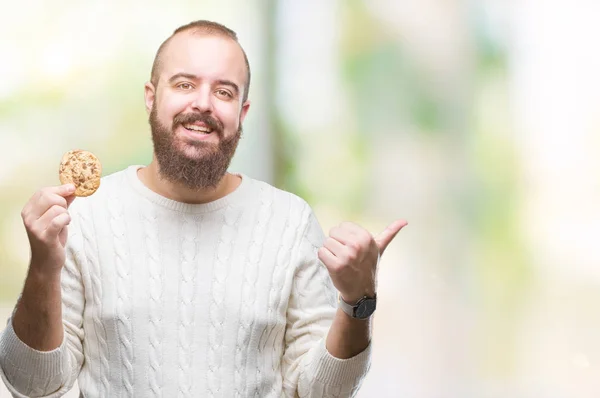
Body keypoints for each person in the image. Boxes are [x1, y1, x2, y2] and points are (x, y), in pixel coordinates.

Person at [0, 20, 406, 397]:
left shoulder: (289, 222)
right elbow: (31, 384)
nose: (204, 104)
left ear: (242, 113)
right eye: (184, 84)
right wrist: (42, 269)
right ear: (151, 96)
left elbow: (322, 392)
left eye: (224, 91)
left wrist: (358, 300)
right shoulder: (86, 217)